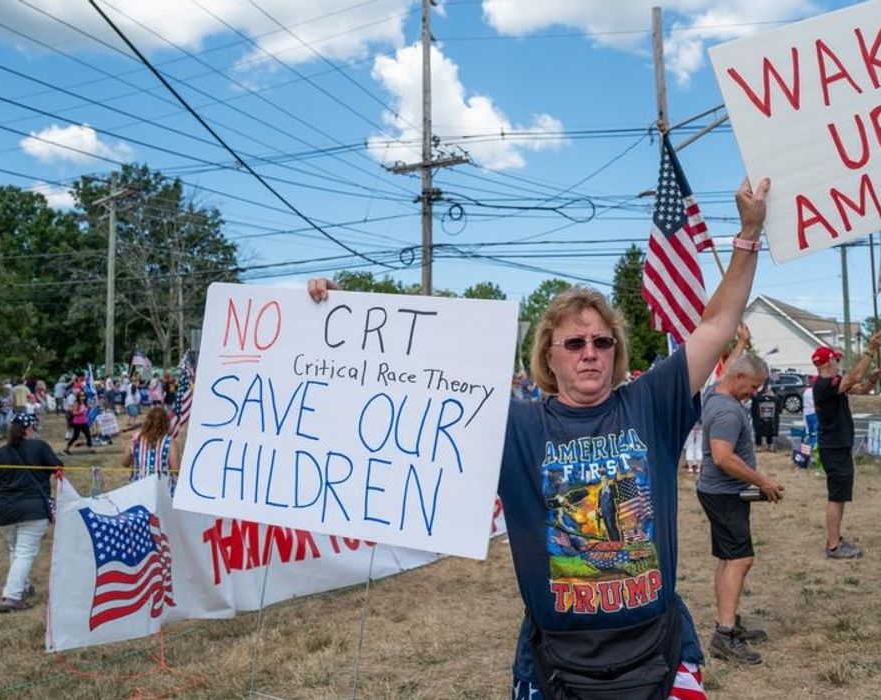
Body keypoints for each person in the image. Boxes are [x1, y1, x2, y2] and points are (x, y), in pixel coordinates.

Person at [309, 175, 772, 699]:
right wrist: (342, 322)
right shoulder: (514, 424)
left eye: (602, 341)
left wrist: (748, 235)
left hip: (658, 654)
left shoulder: (650, 403)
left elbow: (715, 326)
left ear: (616, 351)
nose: (590, 352)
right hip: (554, 665)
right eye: (574, 343)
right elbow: (404, 396)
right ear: (549, 356)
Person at [696, 354, 783, 665]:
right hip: (725, 495)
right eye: (754, 386)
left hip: (718, 492)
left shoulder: (716, 392)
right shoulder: (727, 412)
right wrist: (763, 481)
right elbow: (723, 457)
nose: (754, 393)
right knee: (741, 559)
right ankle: (725, 634)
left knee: (727, 558)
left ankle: (729, 620)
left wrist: (741, 343)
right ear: (740, 377)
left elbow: (730, 364)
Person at [811, 335, 881, 560]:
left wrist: (873, 379)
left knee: (841, 495)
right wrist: (870, 350)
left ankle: (836, 538)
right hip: (833, 446)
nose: (838, 364)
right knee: (836, 496)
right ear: (827, 363)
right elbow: (855, 376)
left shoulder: (835, 385)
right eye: (836, 360)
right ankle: (833, 546)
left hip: (838, 445)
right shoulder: (825, 385)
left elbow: (860, 388)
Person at [0, 413, 61, 613]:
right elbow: (59, 468)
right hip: (33, 510)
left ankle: (23, 586)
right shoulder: (39, 446)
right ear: (29, 428)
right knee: (24, 553)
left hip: (5, 511)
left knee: (16, 550)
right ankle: (12, 596)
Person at [122, 406, 180, 492]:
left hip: (138, 487)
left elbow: (125, 462)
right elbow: (175, 469)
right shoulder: (170, 442)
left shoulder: (136, 439)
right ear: (166, 423)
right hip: (162, 489)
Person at [750, 385, 779, 452]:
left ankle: (770, 444)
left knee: (769, 427)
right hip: (758, 412)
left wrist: (770, 393)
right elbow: (753, 396)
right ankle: (759, 445)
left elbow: (777, 399)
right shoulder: (756, 388)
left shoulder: (768, 385)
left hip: (768, 413)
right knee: (758, 429)